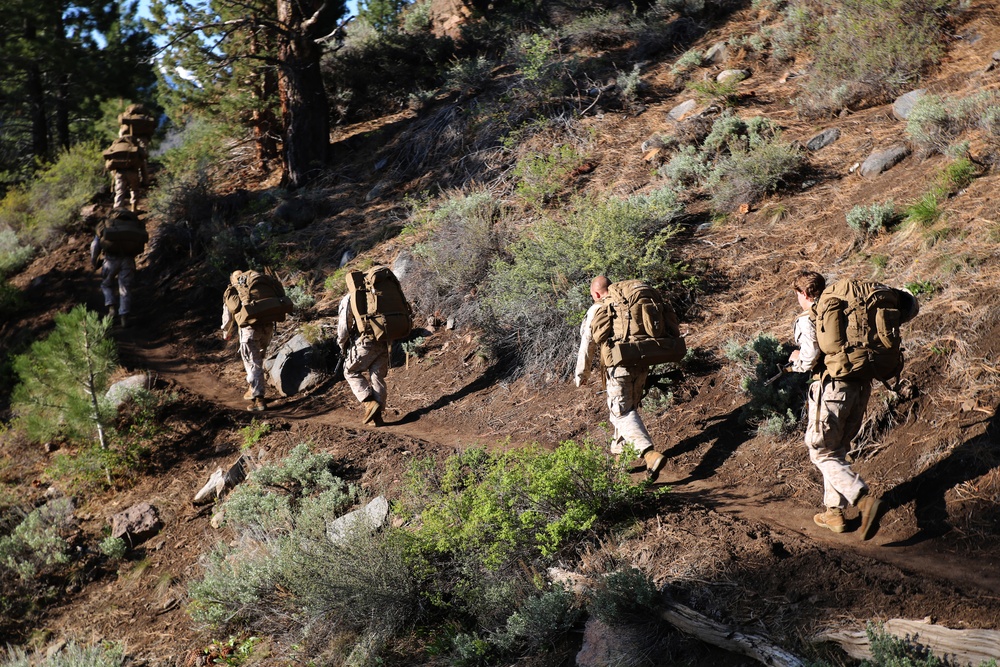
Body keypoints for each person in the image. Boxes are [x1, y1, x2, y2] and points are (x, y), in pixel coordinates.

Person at [789, 270, 883, 540]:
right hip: (861, 386)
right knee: (837, 448)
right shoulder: (846, 312)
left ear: (805, 294)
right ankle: (834, 513)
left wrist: (795, 360)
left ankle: (863, 500)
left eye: (797, 294)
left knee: (820, 450)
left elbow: (808, 359)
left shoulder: (809, 318)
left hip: (831, 390)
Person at [574, 275, 668, 481]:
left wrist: (582, 374)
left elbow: (587, 343)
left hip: (619, 368)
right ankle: (619, 464)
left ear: (596, 293)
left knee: (620, 413)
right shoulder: (625, 305)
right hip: (641, 363)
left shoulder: (598, 308)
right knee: (628, 410)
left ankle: (649, 454)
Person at [222, 270, 274, 412]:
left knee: (253, 363)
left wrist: (226, 333)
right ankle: (255, 388)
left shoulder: (234, 291)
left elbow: (228, 317)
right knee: (258, 360)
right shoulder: (255, 288)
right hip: (267, 328)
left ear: (233, 280)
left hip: (249, 332)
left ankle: (259, 400)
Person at [337, 289, 389, 426]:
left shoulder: (350, 298)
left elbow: (344, 326)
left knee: (350, 371)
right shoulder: (379, 292)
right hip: (384, 340)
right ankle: (377, 418)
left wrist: (342, 344)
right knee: (377, 376)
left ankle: (369, 403)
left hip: (365, 341)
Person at [90, 210, 141, 328]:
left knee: (106, 284)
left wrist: (94, 261)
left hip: (111, 260)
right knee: (125, 287)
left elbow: (94, 245)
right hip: (128, 259)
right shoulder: (132, 224)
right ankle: (124, 316)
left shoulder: (105, 224)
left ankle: (111, 307)